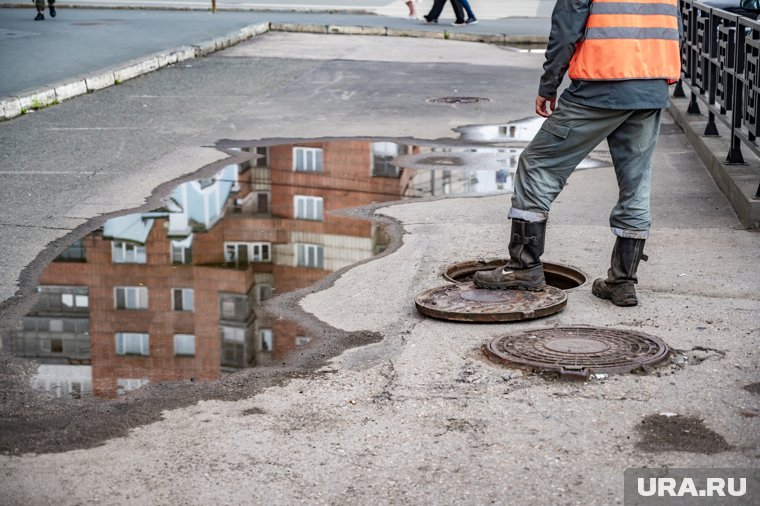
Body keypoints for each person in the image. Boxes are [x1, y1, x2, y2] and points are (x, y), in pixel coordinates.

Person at [473, 0, 681, 307]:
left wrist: (548, 86)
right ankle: (622, 282)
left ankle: (524, 267)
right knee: (636, 183)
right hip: (650, 90)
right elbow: (674, 33)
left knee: (538, 165)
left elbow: (565, 31)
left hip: (599, 87)